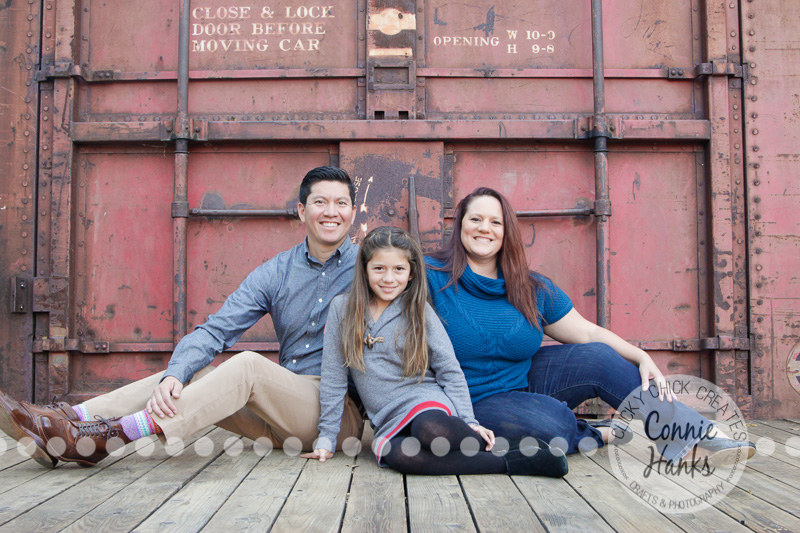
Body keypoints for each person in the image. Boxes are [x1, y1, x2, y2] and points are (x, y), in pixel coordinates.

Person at [0, 166, 365, 469]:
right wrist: (176, 373)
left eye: (340, 203)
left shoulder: (369, 270)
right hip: (276, 419)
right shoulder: (277, 271)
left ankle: (113, 436)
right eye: (320, 202)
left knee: (249, 366)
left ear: (352, 212)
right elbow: (216, 331)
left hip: (334, 419)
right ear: (302, 211)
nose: (330, 211)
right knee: (190, 374)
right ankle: (66, 420)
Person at [425, 187, 756, 465]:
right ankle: (591, 431)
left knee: (597, 356)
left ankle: (688, 433)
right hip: (470, 400)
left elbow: (588, 332)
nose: (485, 228)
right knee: (548, 424)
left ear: (506, 231)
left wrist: (640, 356)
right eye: (476, 219)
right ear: (460, 225)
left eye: (495, 222)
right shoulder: (429, 275)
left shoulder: (530, 287)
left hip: (522, 381)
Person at [303, 226, 568, 477]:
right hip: (386, 418)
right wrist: (326, 437)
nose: (388, 278)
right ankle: (516, 459)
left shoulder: (418, 310)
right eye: (379, 268)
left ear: (411, 273)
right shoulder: (342, 309)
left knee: (431, 431)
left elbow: (449, 369)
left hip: (425, 401)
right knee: (399, 457)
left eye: (398, 269)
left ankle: (480, 438)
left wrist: (469, 420)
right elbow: (334, 379)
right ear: (364, 270)